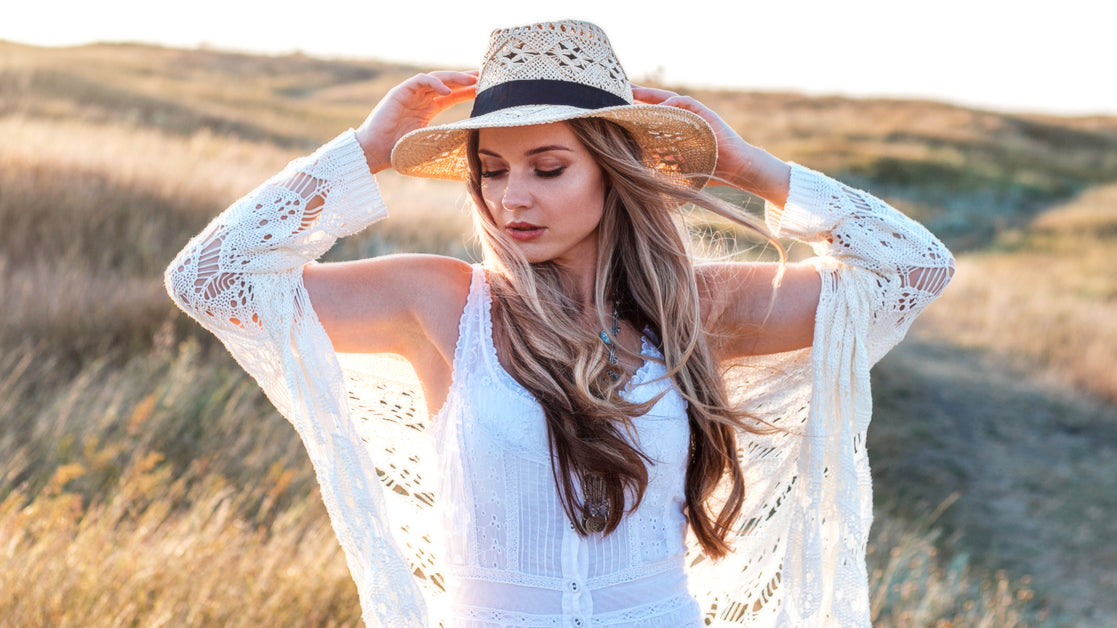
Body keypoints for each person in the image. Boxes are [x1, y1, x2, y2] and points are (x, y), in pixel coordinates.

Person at [165, 19, 954, 628]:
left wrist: (748, 168)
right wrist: (365, 150)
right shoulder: (441, 304)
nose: (513, 200)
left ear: (614, 174)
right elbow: (211, 282)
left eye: (547, 169)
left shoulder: (698, 309)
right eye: (492, 172)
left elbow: (912, 273)